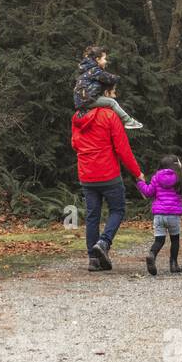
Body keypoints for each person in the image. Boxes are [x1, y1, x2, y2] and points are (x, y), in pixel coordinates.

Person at [71, 85, 144, 271]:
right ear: (104, 94)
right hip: (108, 173)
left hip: (87, 174)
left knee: (92, 215)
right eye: (113, 93)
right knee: (118, 210)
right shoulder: (111, 116)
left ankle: (93, 260)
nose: (115, 96)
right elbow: (123, 149)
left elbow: (75, 144)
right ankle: (103, 243)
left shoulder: (77, 117)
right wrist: (137, 173)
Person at [137, 155, 182, 275]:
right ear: (176, 165)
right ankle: (174, 265)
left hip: (159, 215)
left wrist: (140, 183)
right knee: (175, 240)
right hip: (173, 215)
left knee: (159, 240)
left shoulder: (156, 178)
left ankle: (152, 255)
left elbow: (148, 192)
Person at [75, 45, 143, 130]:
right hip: (88, 100)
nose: (106, 61)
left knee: (105, 101)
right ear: (97, 60)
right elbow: (108, 78)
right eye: (104, 59)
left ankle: (85, 113)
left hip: (81, 102)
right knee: (111, 102)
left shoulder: (86, 71)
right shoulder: (95, 71)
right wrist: (118, 78)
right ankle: (128, 121)